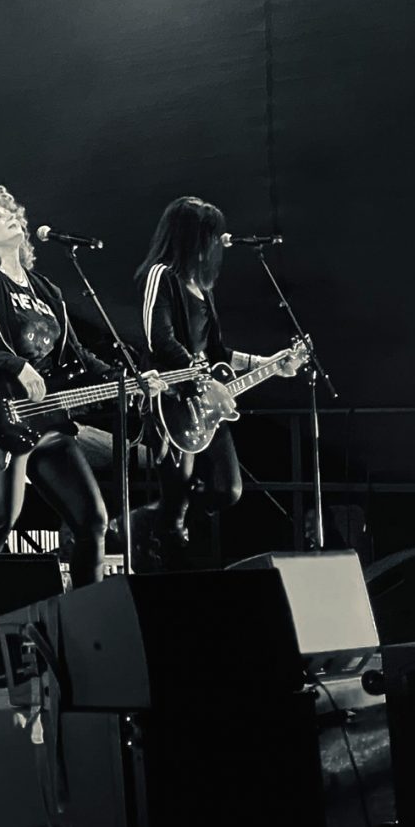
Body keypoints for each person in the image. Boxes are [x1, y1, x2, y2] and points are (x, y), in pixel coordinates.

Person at [0, 185, 127, 585]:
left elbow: (77, 356)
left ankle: (85, 611)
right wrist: (15, 366)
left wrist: (126, 380)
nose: (10, 218)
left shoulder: (45, 289)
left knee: (92, 521)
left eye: (11, 213)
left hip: (48, 419)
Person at [137, 195, 252, 570]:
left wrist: (266, 363)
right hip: (172, 400)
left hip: (206, 403)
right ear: (191, 237)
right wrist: (203, 378)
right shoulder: (161, 276)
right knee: (177, 493)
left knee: (228, 489)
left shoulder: (204, 288)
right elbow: (159, 340)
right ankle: (162, 534)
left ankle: (156, 521)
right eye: (211, 235)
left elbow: (217, 351)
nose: (217, 243)